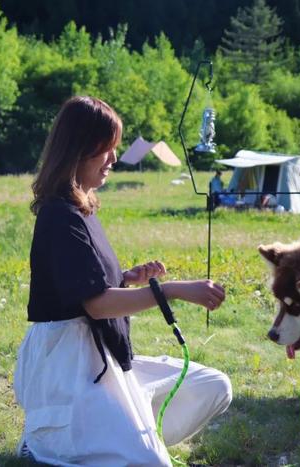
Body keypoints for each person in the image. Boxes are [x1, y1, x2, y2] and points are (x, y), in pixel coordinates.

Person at [14, 96, 232, 466]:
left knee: (213, 386)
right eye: (107, 148)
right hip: (68, 367)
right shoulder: (58, 215)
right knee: (149, 464)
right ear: (79, 150)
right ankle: (46, 440)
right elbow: (96, 304)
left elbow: (87, 284)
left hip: (103, 355)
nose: (114, 158)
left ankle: (121, 432)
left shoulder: (81, 208)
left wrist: (126, 278)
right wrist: (174, 291)